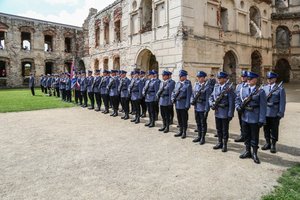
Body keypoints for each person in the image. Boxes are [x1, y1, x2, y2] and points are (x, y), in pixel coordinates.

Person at [236, 71, 267, 164]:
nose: (248, 81)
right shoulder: (243, 89)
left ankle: (254, 153)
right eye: (248, 79)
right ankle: (247, 151)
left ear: (255, 80)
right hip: (245, 116)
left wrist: (261, 119)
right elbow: (237, 99)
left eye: (250, 79)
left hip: (254, 117)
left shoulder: (260, 92)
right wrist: (238, 107)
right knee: (246, 135)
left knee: (254, 137)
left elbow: (263, 106)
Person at [209, 72, 235, 152]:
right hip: (217, 111)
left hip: (225, 112)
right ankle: (219, 142)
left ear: (224, 79)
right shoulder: (216, 87)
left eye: (220, 78)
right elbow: (211, 97)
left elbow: (231, 102)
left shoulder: (229, 88)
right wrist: (211, 103)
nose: (218, 80)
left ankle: (225, 144)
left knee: (224, 129)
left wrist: (230, 113)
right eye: (218, 78)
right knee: (218, 128)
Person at [262, 72, 286, 153]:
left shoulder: (280, 89)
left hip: (274, 112)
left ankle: (273, 144)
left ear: (275, 79)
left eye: (271, 78)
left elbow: (282, 102)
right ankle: (267, 143)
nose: (269, 80)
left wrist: (280, 113)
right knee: (266, 129)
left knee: (274, 129)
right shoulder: (264, 88)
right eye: (268, 78)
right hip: (265, 113)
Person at [191, 71, 212, 145]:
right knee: (198, 122)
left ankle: (203, 137)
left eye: (200, 77)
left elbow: (207, 99)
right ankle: (199, 136)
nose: (199, 79)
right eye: (198, 77)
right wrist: (192, 101)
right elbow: (193, 94)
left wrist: (207, 109)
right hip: (197, 106)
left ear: (204, 78)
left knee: (203, 123)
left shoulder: (207, 87)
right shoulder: (196, 85)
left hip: (203, 107)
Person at [172, 70, 192, 139]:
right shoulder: (177, 83)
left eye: (181, 76)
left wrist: (187, 105)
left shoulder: (188, 84)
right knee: (179, 118)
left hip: (183, 104)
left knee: (184, 119)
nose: (180, 77)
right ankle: (180, 131)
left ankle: (184, 132)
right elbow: (174, 92)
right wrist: (172, 99)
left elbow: (189, 96)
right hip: (177, 104)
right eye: (179, 76)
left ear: (185, 76)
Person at [234, 70, 248, 143]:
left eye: (244, 76)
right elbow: (236, 97)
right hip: (240, 107)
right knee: (241, 121)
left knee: (247, 122)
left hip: (246, 108)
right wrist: (237, 106)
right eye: (242, 76)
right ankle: (242, 135)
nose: (243, 78)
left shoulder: (249, 86)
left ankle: (247, 136)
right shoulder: (238, 86)